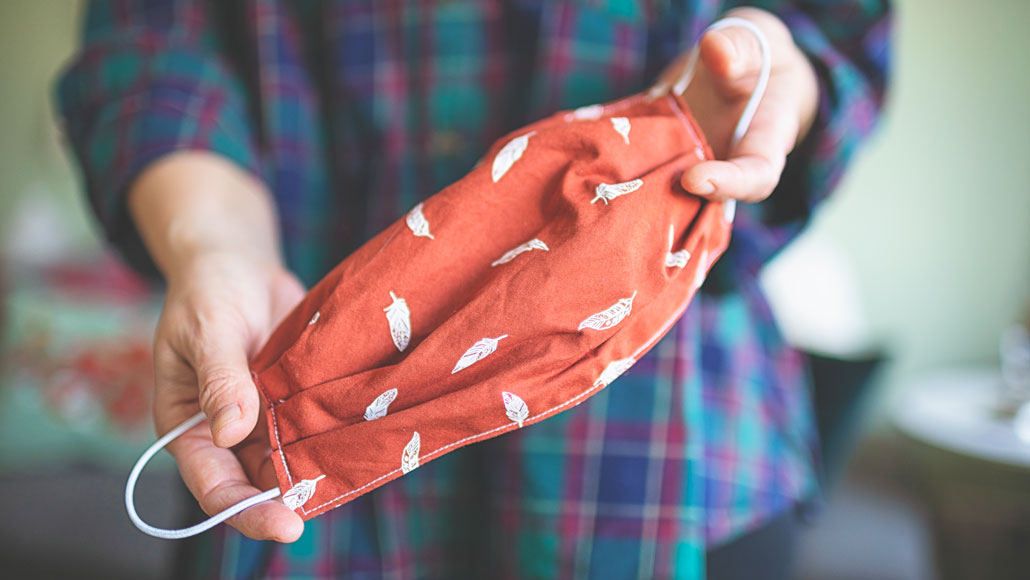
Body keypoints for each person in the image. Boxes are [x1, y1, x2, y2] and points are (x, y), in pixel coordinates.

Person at [57, 1, 889, 578]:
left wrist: (771, 64)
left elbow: (839, 26)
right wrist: (212, 239)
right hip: (283, 373)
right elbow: (151, 39)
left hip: (669, 446)